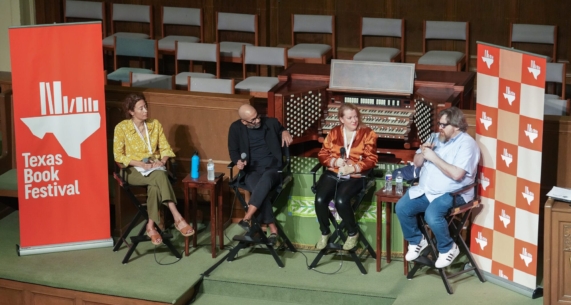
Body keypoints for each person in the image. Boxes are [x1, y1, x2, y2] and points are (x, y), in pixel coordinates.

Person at [396, 107, 480, 268]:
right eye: (439, 124)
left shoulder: (467, 145)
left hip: (455, 193)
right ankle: (417, 240)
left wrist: (434, 157)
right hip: (427, 190)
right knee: (402, 207)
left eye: (443, 125)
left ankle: (448, 248)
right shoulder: (435, 137)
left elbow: (457, 175)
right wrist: (423, 152)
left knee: (432, 215)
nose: (439, 128)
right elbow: (418, 162)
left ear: (456, 126)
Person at [113, 93, 194, 245]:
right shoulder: (122, 128)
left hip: (154, 168)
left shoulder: (154, 124)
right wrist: (141, 164)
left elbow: (165, 148)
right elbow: (118, 156)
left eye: (146, 107)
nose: (145, 111)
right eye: (141, 108)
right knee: (160, 177)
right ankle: (177, 217)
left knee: (155, 184)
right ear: (131, 112)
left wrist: (162, 161)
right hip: (132, 170)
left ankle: (150, 227)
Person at [314, 103, 378, 250]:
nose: (354, 120)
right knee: (319, 199)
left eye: (355, 116)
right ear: (341, 119)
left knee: (341, 201)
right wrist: (334, 161)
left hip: (355, 175)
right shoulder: (334, 132)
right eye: (349, 118)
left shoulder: (368, 133)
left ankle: (352, 232)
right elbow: (322, 154)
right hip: (334, 172)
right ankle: (325, 232)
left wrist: (354, 167)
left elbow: (371, 159)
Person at [227, 104, 293, 244]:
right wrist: (238, 161)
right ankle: (273, 229)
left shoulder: (271, 123)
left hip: (273, 168)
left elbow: (281, 129)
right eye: (253, 120)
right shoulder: (236, 128)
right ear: (244, 122)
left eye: (257, 116)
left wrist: (285, 131)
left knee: (265, 180)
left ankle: (248, 216)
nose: (257, 120)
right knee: (260, 189)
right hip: (252, 170)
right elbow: (233, 151)